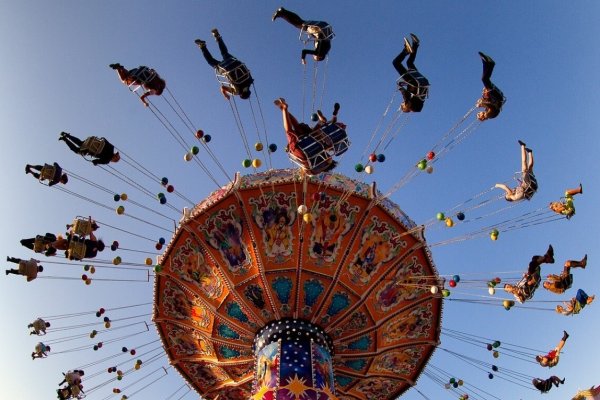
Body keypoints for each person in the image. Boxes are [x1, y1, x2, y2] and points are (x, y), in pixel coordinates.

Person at [274, 98, 339, 175]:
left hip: (312, 142)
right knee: (289, 131)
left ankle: (284, 109)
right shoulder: (314, 171)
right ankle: (284, 109)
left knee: (297, 127)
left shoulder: (328, 159)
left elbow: (325, 148)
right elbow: (305, 169)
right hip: (302, 152)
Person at [195, 29, 254, 100]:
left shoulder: (250, 81)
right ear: (241, 95)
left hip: (234, 62)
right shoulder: (237, 92)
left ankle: (217, 36)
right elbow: (223, 87)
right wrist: (225, 94)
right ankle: (202, 46)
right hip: (225, 68)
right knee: (211, 61)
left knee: (224, 52)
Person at [392, 33, 430, 113]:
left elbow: (408, 94)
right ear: (406, 107)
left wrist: (402, 86)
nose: (402, 103)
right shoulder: (410, 102)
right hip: (415, 82)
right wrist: (400, 88)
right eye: (402, 104)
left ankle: (415, 44)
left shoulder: (417, 104)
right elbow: (405, 94)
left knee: (410, 63)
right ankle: (406, 50)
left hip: (421, 82)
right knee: (396, 63)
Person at [476, 52, 505, 121]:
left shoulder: (487, 112)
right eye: (478, 115)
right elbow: (492, 106)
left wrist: (483, 98)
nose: (478, 113)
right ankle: (489, 64)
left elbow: (489, 102)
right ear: (482, 117)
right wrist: (482, 103)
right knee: (484, 79)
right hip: (497, 97)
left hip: (496, 96)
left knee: (485, 79)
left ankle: (487, 64)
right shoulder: (489, 115)